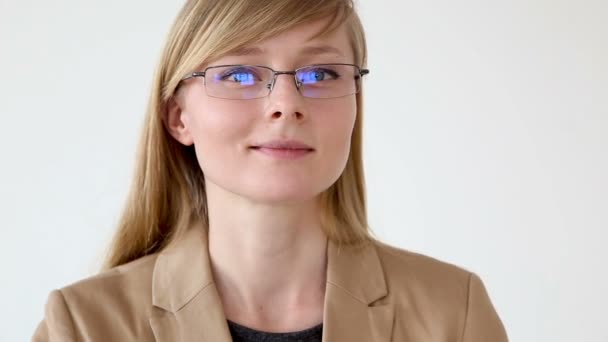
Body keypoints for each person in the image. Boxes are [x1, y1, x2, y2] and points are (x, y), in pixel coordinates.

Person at [32, 0, 508, 341]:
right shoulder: (82, 326)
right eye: (239, 75)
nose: (286, 104)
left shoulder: (454, 314)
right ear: (179, 118)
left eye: (321, 74)